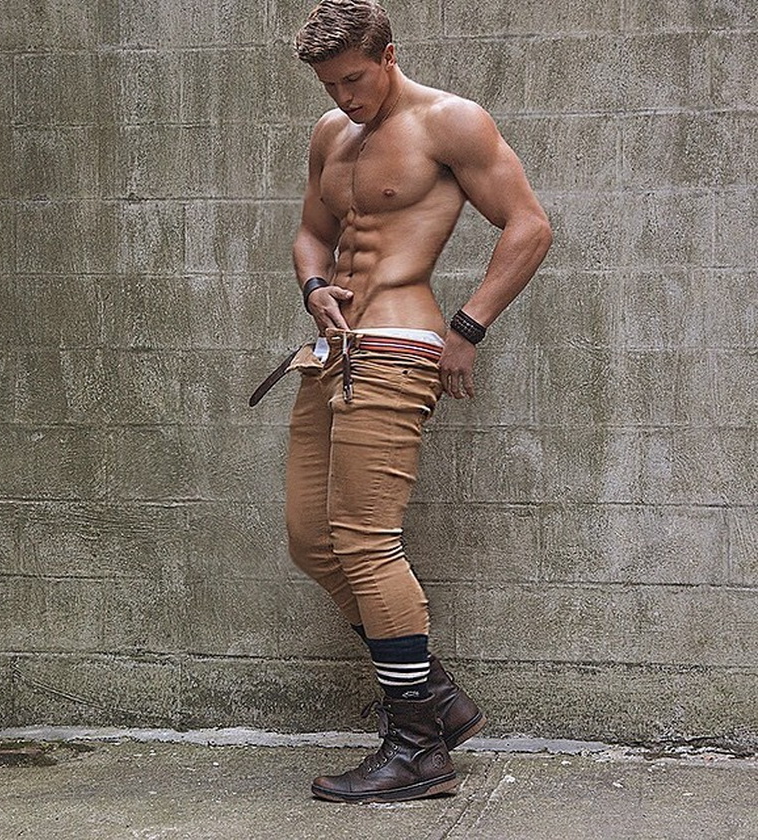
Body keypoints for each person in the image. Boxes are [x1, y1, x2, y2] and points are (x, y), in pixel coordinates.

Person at [282, 0, 552, 803]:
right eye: (330, 86)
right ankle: (434, 696)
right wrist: (314, 286)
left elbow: (529, 226)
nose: (344, 97)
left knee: (365, 542)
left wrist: (468, 328)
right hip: (334, 352)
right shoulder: (331, 134)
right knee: (312, 540)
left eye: (355, 80)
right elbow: (311, 232)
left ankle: (417, 750)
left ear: (389, 55)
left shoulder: (451, 122)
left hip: (399, 346)